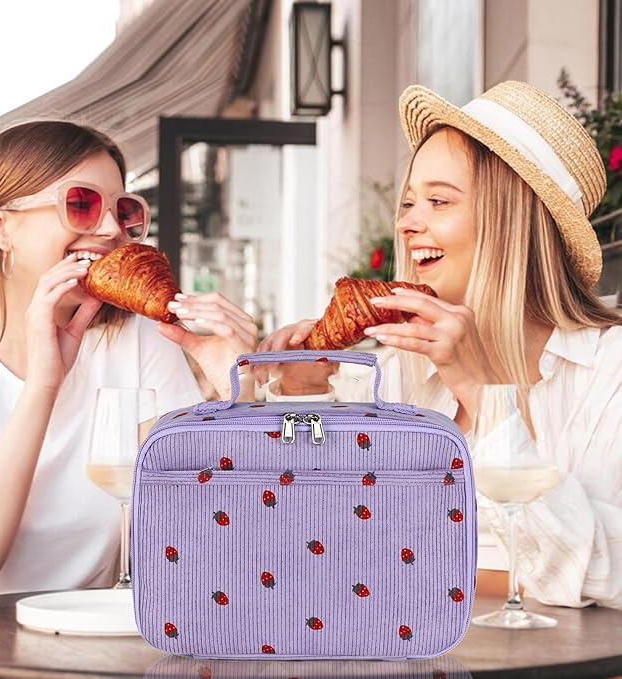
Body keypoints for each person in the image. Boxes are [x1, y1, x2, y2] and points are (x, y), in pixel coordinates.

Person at [254, 81, 622, 609]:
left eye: (438, 201)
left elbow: (608, 575)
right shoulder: (394, 374)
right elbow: (304, 540)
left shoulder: (609, 372)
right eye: (408, 203)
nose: (406, 223)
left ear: (511, 219)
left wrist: (480, 393)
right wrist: (305, 398)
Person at [0, 120, 257, 601]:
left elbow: (200, 546)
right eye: (81, 204)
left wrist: (239, 399)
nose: (112, 230)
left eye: (123, 210)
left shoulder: (140, 340)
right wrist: (43, 387)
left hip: (105, 637)